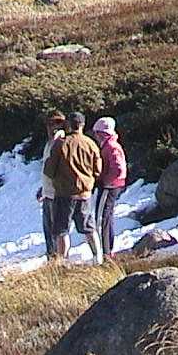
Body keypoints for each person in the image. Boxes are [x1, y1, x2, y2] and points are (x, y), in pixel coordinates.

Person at [44, 111, 103, 264]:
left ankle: (63, 262)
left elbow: (49, 170)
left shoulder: (61, 144)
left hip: (64, 194)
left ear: (69, 124)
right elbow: (98, 170)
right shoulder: (91, 144)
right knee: (89, 227)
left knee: (62, 230)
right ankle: (98, 257)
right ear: (83, 125)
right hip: (84, 194)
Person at [92, 117, 127, 259]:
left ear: (102, 133)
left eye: (96, 133)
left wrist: (105, 181)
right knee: (107, 217)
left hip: (110, 186)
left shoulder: (111, 147)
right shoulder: (110, 145)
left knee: (101, 217)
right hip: (111, 185)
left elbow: (119, 169)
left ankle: (106, 253)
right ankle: (108, 250)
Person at [36, 111, 66, 259]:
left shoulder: (61, 141)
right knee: (48, 231)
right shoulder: (49, 143)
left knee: (57, 231)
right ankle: (51, 259)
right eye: (50, 123)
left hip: (57, 193)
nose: (52, 127)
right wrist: (42, 188)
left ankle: (58, 260)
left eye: (57, 123)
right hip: (48, 192)